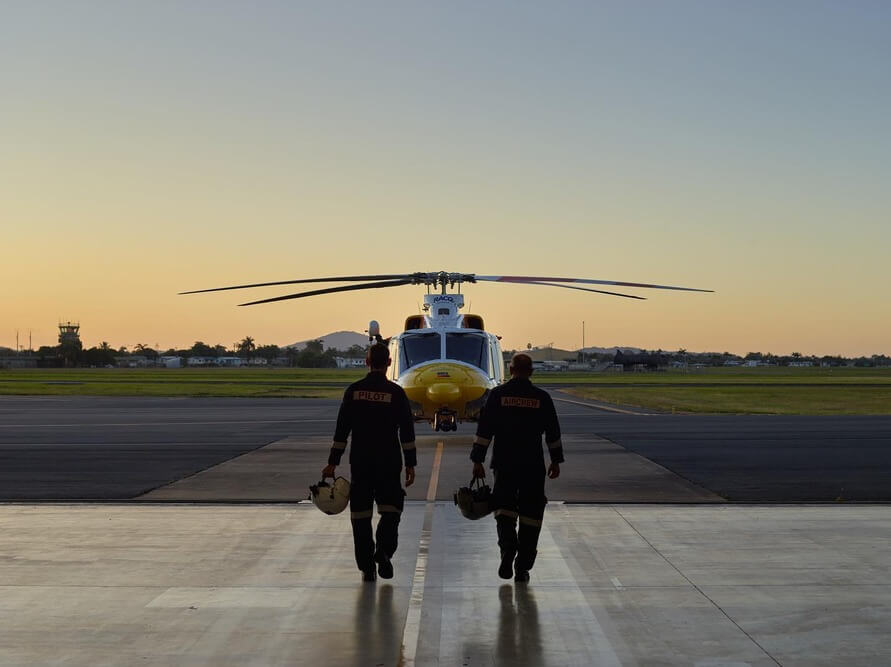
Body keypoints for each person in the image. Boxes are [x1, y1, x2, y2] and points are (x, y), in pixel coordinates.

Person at [322, 343, 417, 582]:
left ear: (367, 362)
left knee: (360, 516)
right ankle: (384, 551)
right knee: (391, 510)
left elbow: (341, 431)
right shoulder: (396, 393)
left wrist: (332, 462)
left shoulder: (353, 391)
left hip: (361, 462)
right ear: (389, 363)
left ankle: (367, 568)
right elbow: (407, 432)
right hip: (388, 461)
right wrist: (410, 463)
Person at [471, 352, 563, 582]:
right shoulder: (542, 398)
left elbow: (484, 431)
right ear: (531, 372)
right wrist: (556, 460)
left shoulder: (497, 395)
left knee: (504, 509)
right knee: (532, 515)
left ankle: (508, 548)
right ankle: (523, 567)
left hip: (505, 463)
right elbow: (553, 433)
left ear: (510, 370)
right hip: (532, 465)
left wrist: (477, 460)